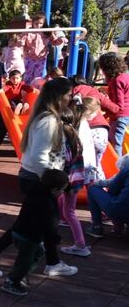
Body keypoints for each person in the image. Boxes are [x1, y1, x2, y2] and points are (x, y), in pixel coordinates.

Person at [0, 78, 78, 278]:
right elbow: (40, 156)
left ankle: (51, 262)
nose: (70, 98)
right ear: (58, 97)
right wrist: (54, 179)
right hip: (38, 180)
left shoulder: (46, 118)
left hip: (38, 179)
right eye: (68, 95)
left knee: (42, 223)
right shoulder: (48, 121)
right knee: (40, 223)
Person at [1, 169, 69, 296]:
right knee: (25, 261)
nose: (62, 192)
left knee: (37, 253)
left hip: (19, 231)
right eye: (62, 190)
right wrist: (54, 238)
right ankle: (12, 281)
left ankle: (19, 275)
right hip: (29, 237)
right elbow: (48, 225)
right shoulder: (47, 204)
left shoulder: (34, 192)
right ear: (54, 190)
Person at [58, 101, 95, 258]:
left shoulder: (66, 139)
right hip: (76, 178)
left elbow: (64, 160)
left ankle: (80, 244)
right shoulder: (76, 135)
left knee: (68, 211)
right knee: (66, 208)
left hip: (68, 179)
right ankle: (79, 243)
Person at [87, 155, 129, 238]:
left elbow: (113, 187)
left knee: (92, 189)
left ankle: (96, 227)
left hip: (121, 211)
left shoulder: (126, 169)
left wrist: (96, 182)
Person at [98, 53, 129, 155]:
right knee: (118, 140)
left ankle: (118, 167)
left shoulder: (117, 81)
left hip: (119, 116)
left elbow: (118, 106)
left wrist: (106, 112)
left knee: (115, 143)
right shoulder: (125, 76)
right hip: (125, 114)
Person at [23, 13, 64, 84]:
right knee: (28, 76)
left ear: (44, 23)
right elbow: (22, 41)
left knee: (38, 76)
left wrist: (60, 40)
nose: (38, 26)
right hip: (29, 58)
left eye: (40, 23)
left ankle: (36, 91)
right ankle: (26, 90)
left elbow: (54, 41)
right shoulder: (28, 32)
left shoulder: (46, 32)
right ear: (33, 23)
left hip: (41, 58)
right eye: (36, 23)